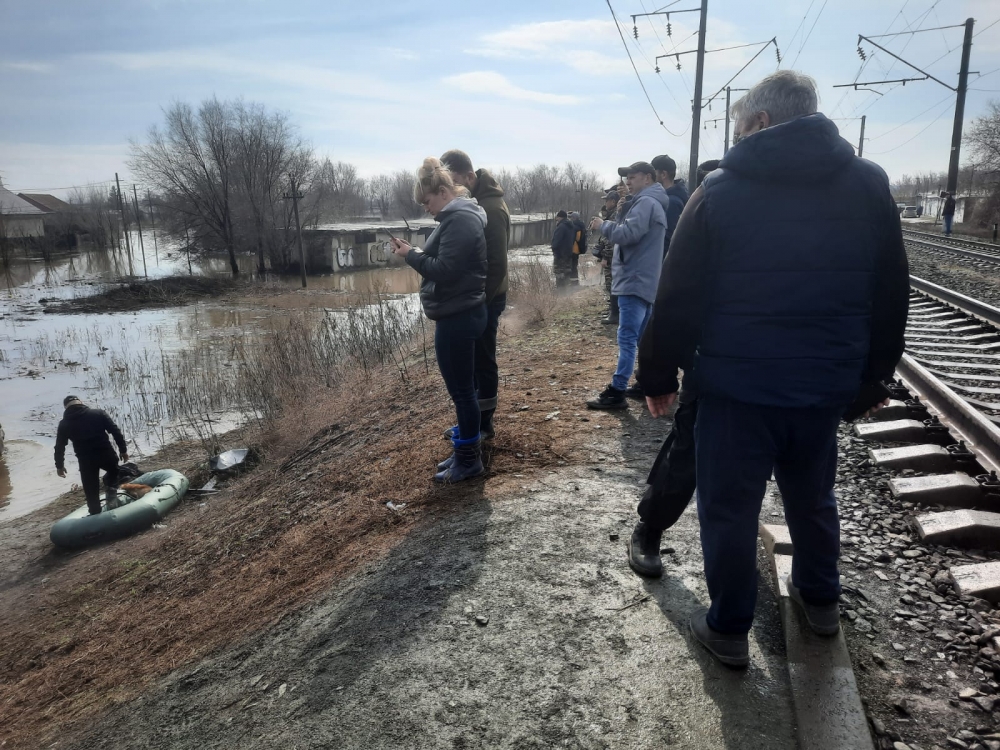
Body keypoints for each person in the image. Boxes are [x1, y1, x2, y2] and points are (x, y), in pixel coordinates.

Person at [637, 70, 908, 668]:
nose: (736, 138)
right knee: (812, 499)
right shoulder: (867, 184)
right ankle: (821, 604)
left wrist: (655, 375)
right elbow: (892, 291)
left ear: (759, 121)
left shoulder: (721, 189)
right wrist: (874, 377)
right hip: (822, 387)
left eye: (738, 126)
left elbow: (678, 292)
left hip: (736, 390)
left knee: (729, 509)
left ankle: (730, 630)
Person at [627, 159, 720, 578]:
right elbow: (679, 289)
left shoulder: (851, 187)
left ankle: (816, 584)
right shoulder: (714, 196)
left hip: (805, 365)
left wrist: (871, 373)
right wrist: (660, 373)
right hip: (723, 359)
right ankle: (651, 528)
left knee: (798, 471)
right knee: (688, 449)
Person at [391, 158, 488, 483]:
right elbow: (448, 261)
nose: (426, 208)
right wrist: (416, 253)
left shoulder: (459, 220)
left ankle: (468, 460)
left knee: (462, 392)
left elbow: (445, 271)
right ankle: (464, 452)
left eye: (428, 201)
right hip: (461, 312)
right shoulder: (458, 218)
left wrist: (412, 256)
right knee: (465, 390)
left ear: (444, 191)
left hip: (457, 316)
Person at [440, 150, 512, 441]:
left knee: (483, 360)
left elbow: (496, 264)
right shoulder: (474, 202)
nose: (454, 189)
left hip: (487, 299)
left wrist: (479, 303)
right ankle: (472, 423)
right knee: (470, 362)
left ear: (470, 176)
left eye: (457, 182)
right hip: (476, 298)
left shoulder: (490, 208)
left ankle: (484, 425)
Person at [586, 162, 667, 410]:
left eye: (633, 177)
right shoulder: (650, 202)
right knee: (640, 338)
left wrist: (604, 225)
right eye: (627, 178)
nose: (628, 182)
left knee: (627, 338)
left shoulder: (646, 203)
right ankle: (647, 383)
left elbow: (629, 234)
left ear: (648, 178)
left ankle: (617, 391)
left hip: (634, 279)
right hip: (643, 280)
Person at [624, 155, 691, 400]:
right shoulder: (677, 198)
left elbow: (666, 240)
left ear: (661, 175)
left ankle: (650, 383)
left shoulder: (671, 202)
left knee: (654, 328)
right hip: (664, 269)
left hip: (661, 270)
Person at [54, 395, 129, 515]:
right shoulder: (98, 413)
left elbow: (59, 447)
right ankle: (110, 489)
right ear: (81, 402)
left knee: (91, 492)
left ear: (65, 408)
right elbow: (115, 431)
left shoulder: (64, 424)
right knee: (114, 471)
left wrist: (59, 466)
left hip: (86, 461)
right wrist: (123, 450)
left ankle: (95, 517)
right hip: (106, 455)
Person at [593, 189, 621, 324]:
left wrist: (605, 256)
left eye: (607, 200)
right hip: (611, 256)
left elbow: (611, 239)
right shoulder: (611, 214)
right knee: (611, 284)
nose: (605, 203)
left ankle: (615, 312)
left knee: (611, 283)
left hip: (612, 257)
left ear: (613, 201)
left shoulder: (615, 215)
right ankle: (613, 309)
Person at [551, 210, 575, 287]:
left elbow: (556, 241)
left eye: (557, 217)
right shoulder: (570, 226)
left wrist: (554, 250)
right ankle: (566, 292)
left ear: (560, 217)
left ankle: (560, 292)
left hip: (560, 255)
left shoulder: (561, 227)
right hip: (568, 253)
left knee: (559, 273)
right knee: (567, 272)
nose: (556, 219)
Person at [569, 211, 587, 284]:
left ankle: (574, 283)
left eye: (571, 217)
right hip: (577, 249)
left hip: (574, 249)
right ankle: (574, 282)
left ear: (575, 218)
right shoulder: (581, 225)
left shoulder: (576, 226)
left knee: (573, 266)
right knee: (573, 266)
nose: (570, 219)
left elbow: (578, 238)